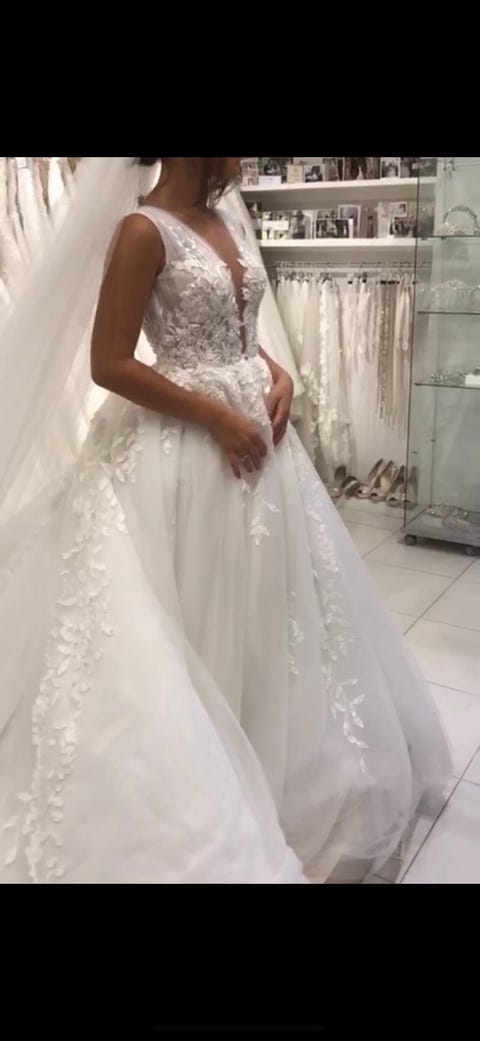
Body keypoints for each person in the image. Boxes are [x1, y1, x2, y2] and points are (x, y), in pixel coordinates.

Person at [0, 157, 449, 884]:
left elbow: (235, 326)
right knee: (192, 609)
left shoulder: (224, 216)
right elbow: (109, 362)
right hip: (186, 450)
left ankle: (280, 759)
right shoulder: (141, 229)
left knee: (272, 613)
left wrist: (278, 372)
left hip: (258, 447)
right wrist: (214, 416)